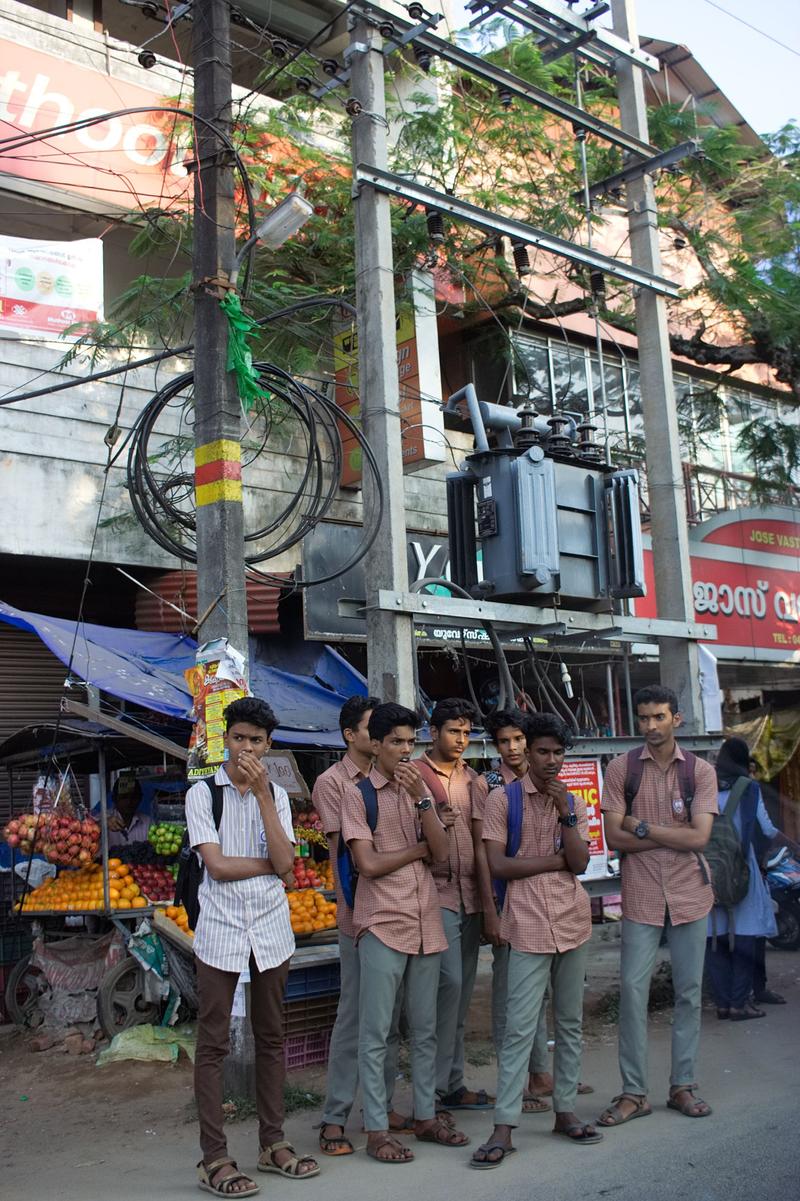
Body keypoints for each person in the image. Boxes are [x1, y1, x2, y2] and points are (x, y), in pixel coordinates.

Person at [186, 697, 320, 1197]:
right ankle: (214, 1157)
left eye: (256, 741)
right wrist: (272, 867)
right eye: (238, 738)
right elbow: (217, 868)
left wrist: (264, 794)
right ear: (226, 738)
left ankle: (273, 1143)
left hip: (270, 928)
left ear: (269, 745)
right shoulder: (203, 794)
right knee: (213, 1042)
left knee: (272, 1037)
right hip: (220, 929)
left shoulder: (277, 797)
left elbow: (289, 861)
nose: (246, 748)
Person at [340, 702, 469, 1164]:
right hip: (380, 922)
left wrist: (422, 803)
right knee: (376, 1032)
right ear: (374, 745)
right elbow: (368, 864)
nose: (404, 750)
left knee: (426, 1029)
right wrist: (416, 847)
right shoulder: (358, 795)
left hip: (426, 923)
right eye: (396, 742)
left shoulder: (421, 791)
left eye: (410, 742)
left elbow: (439, 853)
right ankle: (377, 1128)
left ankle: (426, 1116)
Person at [471, 713, 600, 1168]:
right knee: (521, 1029)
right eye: (542, 751)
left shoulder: (574, 804)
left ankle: (565, 1111)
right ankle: (503, 1126)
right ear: (527, 753)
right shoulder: (503, 800)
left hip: (572, 920)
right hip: (525, 922)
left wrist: (565, 811)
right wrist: (554, 860)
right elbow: (499, 866)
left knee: (568, 1023)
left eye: (558, 753)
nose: (550, 760)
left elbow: (581, 863)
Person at [598, 684, 718, 1128]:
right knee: (632, 991)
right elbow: (614, 837)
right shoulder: (621, 768)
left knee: (689, 992)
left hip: (690, 891)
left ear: (676, 720)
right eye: (644, 718)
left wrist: (643, 827)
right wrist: (672, 833)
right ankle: (634, 1093)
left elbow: (700, 839)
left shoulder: (700, 772)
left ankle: (682, 1085)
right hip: (642, 893)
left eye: (659, 718)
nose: (650, 726)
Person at [311, 695, 409, 1155]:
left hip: (397, 911)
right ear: (351, 735)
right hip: (357, 913)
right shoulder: (334, 784)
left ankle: (380, 1107)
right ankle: (334, 1116)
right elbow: (351, 855)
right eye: (373, 727)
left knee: (386, 1020)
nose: (381, 734)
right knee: (354, 1017)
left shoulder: (399, 777)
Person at [416, 697, 490, 1111]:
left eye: (466, 732)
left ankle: (452, 1084)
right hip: (433, 894)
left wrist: (487, 904)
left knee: (460, 998)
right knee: (447, 988)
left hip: (469, 896)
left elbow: (480, 845)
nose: (460, 740)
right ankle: (432, 1090)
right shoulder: (415, 776)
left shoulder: (473, 780)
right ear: (434, 733)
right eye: (453, 731)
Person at [705, 737, 776, 1020]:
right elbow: (766, 830)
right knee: (745, 935)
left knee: (715, 938)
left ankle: (722, 1003)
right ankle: (738, 1003)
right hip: (741, 871)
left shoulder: (704, 786)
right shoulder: (748, 788)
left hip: (707, 871)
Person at [107, 776, 152, 847]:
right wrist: (103, 823)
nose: (129, 802)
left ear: (140, 798)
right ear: (114, 799)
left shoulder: (148, 823)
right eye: (124, 797)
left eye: (134, 797)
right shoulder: (104, 820)